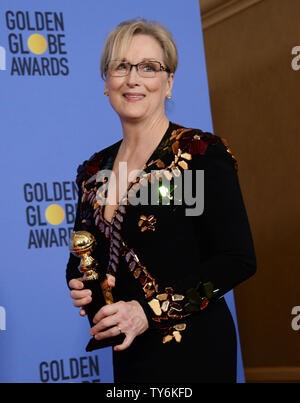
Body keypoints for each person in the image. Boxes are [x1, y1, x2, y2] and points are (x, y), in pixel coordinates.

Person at [66, 18, 256, 383]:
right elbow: (83, 257)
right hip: (130, 351)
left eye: (149, 67)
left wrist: (147, 311)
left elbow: (237, 260)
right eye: (121, 66)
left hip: (194, 349)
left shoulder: (198, 154)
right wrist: (82, 283)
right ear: (106, 82)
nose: (133, 79)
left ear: (168, 83)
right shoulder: (94, 170)